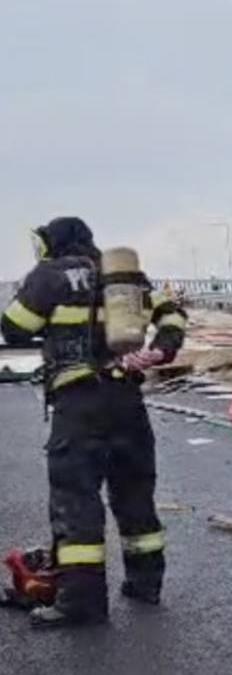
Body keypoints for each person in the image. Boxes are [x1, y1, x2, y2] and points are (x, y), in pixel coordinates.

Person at [1, 217, 188, 628]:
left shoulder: (50, 275)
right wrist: (160, 351)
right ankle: (145, 585)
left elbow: (13, 327)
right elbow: (173, 315)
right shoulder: (124, 276)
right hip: (127, 401)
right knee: (135, 494)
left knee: (76, 501)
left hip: (79, 402)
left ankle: (82, 603)